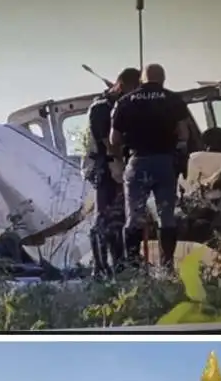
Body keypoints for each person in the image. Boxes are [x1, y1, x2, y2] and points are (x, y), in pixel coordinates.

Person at [109, 63, 191, 270]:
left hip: (138, 163)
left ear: (141, 80)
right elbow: (184, 133)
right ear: (163, 79)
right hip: (164, 163)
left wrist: (122, 156)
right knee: (166, 216)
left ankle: (134, 267)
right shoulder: (173, 99)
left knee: (134, 216)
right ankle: (167, 266)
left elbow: (114, 139)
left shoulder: (125, 102)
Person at [84, 67, 141, 277]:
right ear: (122, 85)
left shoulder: (125, 106)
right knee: (104, 219)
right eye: (133, 89)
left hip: (120, 166)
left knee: (120, 219)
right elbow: (108, 144)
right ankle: (101, 268)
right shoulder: (100, 109)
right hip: (104, 167)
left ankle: (120, 265)